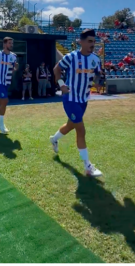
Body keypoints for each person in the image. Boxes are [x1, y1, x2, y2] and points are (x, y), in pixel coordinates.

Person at [49, 29, 103, 177]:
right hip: (70, 98)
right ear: (81, 41)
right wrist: (61, 84)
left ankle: (53, 139)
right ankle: (88, 167)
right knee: (81, 130)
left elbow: (98, 74)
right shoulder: (71, 57)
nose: (92, 44)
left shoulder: (96, 59)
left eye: (94, 41)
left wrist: (98, 82)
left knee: (71, 125)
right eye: (89, 41)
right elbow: (56, 69)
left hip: (83, 99)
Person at [0, 37, 18, 133]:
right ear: (4, 44)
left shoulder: (13, 56)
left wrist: (15, 68)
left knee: (0, 101)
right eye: (9, 43)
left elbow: (13, 68)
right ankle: (1, 124)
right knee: (5, 100)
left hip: (7, 82)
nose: (11, 45)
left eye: (12, 43)